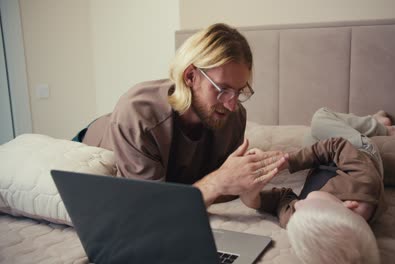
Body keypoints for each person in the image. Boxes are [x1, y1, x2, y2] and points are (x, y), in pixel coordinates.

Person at [73, 23, 287, 206]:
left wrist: (245, 181)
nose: (231, 105)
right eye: (222, 90)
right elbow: (148, 208)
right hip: (95, 139)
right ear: (190, 76)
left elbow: (225, 185)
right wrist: (218, 181)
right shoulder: (138, 114)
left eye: (239, 91)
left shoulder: (235, 116)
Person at [240, 108, 395, 263]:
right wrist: (286, 161)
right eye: (305, 203)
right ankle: (382, 127)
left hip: (322, 168)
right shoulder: (365, 181)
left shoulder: (302, 221)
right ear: (348, 205)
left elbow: (280, 200)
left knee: (310, 138)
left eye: (297, 209)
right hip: (358, 154)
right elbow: (336, 145)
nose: (298, 203)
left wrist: (251, 198)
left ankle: (367, 124)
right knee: (320, 117)